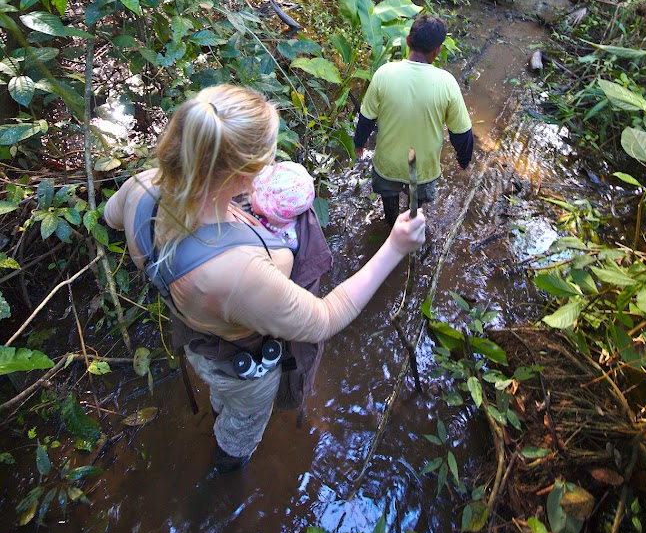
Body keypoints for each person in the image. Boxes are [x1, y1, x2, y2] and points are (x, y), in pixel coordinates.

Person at [103, 84, 425, 474]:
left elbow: (110, 217)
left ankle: (220, 406)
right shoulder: (238, 272)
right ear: (244, 178)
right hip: (244, 369)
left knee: (220, 391)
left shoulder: (141, 187)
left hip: (194, 338)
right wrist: (394, 246)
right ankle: (228, 461)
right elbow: (324, 319)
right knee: (241, 422)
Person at [353, 13, 474, 225]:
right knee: (415, 209)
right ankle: (412, 228)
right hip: (422, 169)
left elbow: (366, 118)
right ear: (437, 50)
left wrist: (359, 143)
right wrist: (463, 159)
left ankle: (392, 228)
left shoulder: (384, 74)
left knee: (389, 205)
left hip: (387, 165)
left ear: (408, 42)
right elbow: (462, 133)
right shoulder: (447, 83)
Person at [251, 160, 315, 251]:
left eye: (257, 191)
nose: (253, 191)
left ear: (268, 211)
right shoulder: (279, 213)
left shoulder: (286, 240)